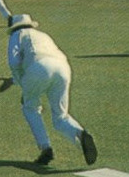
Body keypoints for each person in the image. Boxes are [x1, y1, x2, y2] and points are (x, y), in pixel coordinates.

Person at [6, 14, 97, 166]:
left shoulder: (17, 35)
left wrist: (21, 84)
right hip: (63, 67)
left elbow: (14, 62)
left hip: (38, 67)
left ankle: (45, 148)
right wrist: (16, 81)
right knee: (61, 116)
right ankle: (80, 133)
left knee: (30, 107)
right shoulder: (43, 35)